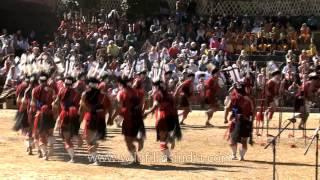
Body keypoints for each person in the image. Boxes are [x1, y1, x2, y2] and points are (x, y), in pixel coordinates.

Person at [144, 80, 182, 162]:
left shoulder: (157, 94)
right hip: (172, 117)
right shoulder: (169, 94)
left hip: (162, 117)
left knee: (162, 139)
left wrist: (147, 112)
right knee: (165, 135)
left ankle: (167, 157)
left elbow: (155, 105)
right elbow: (175, 106)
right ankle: (170, 137)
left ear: (156, 86)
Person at [79, 77, 113, 165]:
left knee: (88, 139)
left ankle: (95, 156)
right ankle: (95, 158)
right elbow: (110, 107)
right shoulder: (104, 95)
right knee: (93, 138)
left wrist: (81, 116)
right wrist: (110, 118)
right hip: (101, 118)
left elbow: (82, 107)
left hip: (90, 117)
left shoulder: (85, 94)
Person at [114, 77, 145, 165]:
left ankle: (138, 143)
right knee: (129, 139)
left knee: (128, 140)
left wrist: (112, 118)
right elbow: (141, 104)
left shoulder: (121, 92)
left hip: (129, 118)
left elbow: (119, 107)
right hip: (137, 117)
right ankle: (136, 159)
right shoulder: (138, 92)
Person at [53, 76, 81, 163]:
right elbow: (80, 105)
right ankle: (78, 138)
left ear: (65, 83)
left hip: (64, 115)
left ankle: (72, 158)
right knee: (74, 133)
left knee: (67, 138)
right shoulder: (77, 92)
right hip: (75, 115)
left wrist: (54, 105)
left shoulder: (61, 90)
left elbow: (56, 103)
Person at [224, 83, 254, 161]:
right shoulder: (249, 99)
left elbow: (227, 108)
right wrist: (251, 122)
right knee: (244, 140)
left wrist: (225, 118)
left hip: (235, 121)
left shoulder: (234, 98)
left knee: (233, 139)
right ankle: (242, 156)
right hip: (246, 121)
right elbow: (253, 111)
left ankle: (234, 155)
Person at [31, 72, 56, 160]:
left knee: (40, 134)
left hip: (40, 114)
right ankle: (50, 148)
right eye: (43, 81)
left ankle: (45, 154)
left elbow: (33, 104)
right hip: (49, 114)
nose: (43, 82)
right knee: (49, 133)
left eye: (43, 81)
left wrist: (35, 112)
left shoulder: (35, 90)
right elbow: (55, 103)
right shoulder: (51, 90)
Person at [265, 70, 281, 135]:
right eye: (278, 75)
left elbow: (277, 90)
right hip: (270, 97)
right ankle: (266, 114)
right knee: (273, 109)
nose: (279, 76)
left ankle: (267, 113)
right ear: (276, 75)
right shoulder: (271, 81)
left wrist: (277, 96)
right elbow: (266, 89)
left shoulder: (277, 81)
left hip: (274, 97)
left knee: (273, 110)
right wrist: (270, 96)